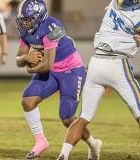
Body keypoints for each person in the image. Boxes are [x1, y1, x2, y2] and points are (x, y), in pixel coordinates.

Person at [15, 0, 102, 159]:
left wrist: (30, 68)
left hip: (70, 70)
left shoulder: (52, 26)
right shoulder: (25, 30)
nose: (25, 23)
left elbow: (47, 64)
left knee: (67, 118)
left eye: (28, 19)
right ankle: (41, 141)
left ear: (39, 17)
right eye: (22, 20)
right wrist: (25, 57)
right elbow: (18, 59)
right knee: (27, 101)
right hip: (51, 70)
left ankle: (93, 143)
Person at [57, 0, 140, 159]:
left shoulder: (115, 3)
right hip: (117, 64)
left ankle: (63, 154)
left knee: (83, 117)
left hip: (96, 63)